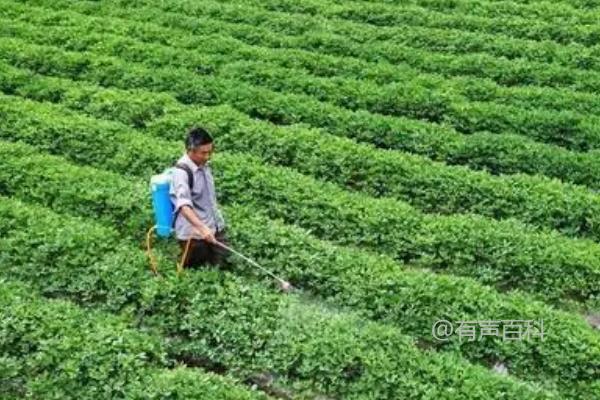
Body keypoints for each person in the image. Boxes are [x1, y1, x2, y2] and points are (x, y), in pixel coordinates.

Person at [169, 126, 229, 268]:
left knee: (223, 261)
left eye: (210, 152)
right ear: (190, 150)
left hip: (214, 226)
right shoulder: (181, 172)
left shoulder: (204, 164)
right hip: (194, 234)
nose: (207, 156)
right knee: (196, 269)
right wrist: (202, 228)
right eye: (203, 153)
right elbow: (184, 206)